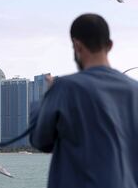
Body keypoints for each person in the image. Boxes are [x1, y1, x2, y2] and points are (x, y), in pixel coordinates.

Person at [30, 13, 138, 188]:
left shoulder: (65, 88)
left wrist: (45, 99)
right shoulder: (135, 90)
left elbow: (41, 140)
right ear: (110, 45)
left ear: (77, 45)